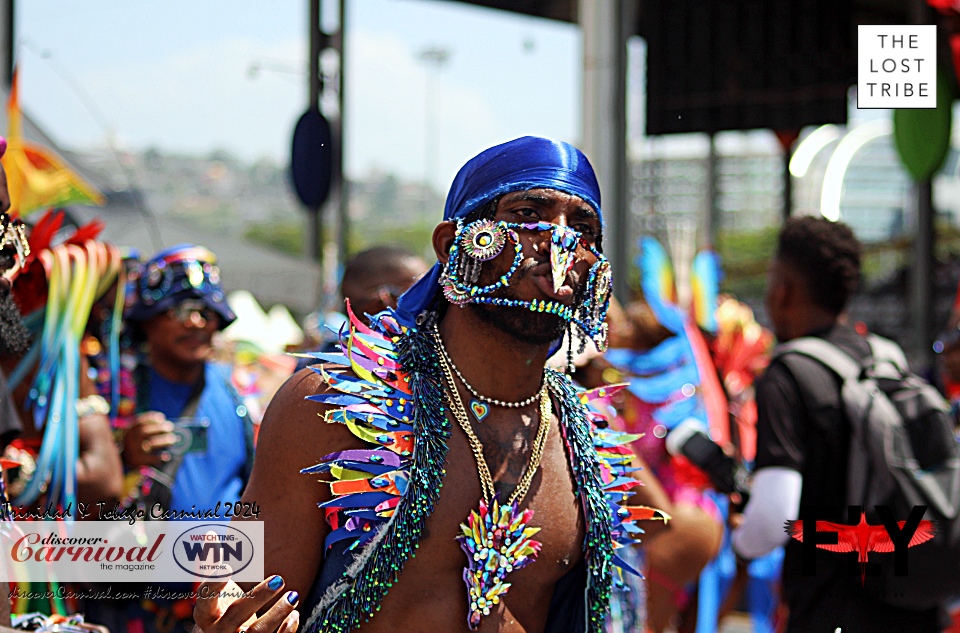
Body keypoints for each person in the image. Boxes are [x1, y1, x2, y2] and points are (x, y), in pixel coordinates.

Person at [194, 136, 667, 633]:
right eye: (529, 212)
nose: (560, 243)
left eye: (585, 229)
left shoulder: (588, 444)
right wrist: (224, 604)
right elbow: (239, 588)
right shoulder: (335, 405)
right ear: (451, 243)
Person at [730, 216, 942, 632]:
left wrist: (739, 543)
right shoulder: (886, 358)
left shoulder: (788, 374)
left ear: (783, 289)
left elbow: (775, 515)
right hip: (914, 604)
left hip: (833, 609)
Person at [82, 244, 256, 633]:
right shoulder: (107, 391)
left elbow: (254, 491)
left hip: (215, 607)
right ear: (147, 322)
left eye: (207, 312)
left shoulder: (237, 393)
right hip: (130, 606)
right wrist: (122, 455)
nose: (196, 322)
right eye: (179, 311)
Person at [296, 245, 427, 370]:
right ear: (383, 301)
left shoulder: (312, 367)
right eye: (418, 292)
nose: (432, 301)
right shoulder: (322, 375)